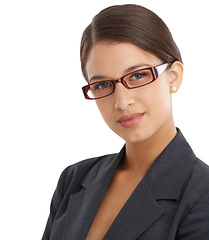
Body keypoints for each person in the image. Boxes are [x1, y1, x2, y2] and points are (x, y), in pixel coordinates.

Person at [42, 4, 209, 240]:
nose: (121, 101)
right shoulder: (74, 179)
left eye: (138, 75)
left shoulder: (201, 194)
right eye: (102, 85)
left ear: (173, 76)